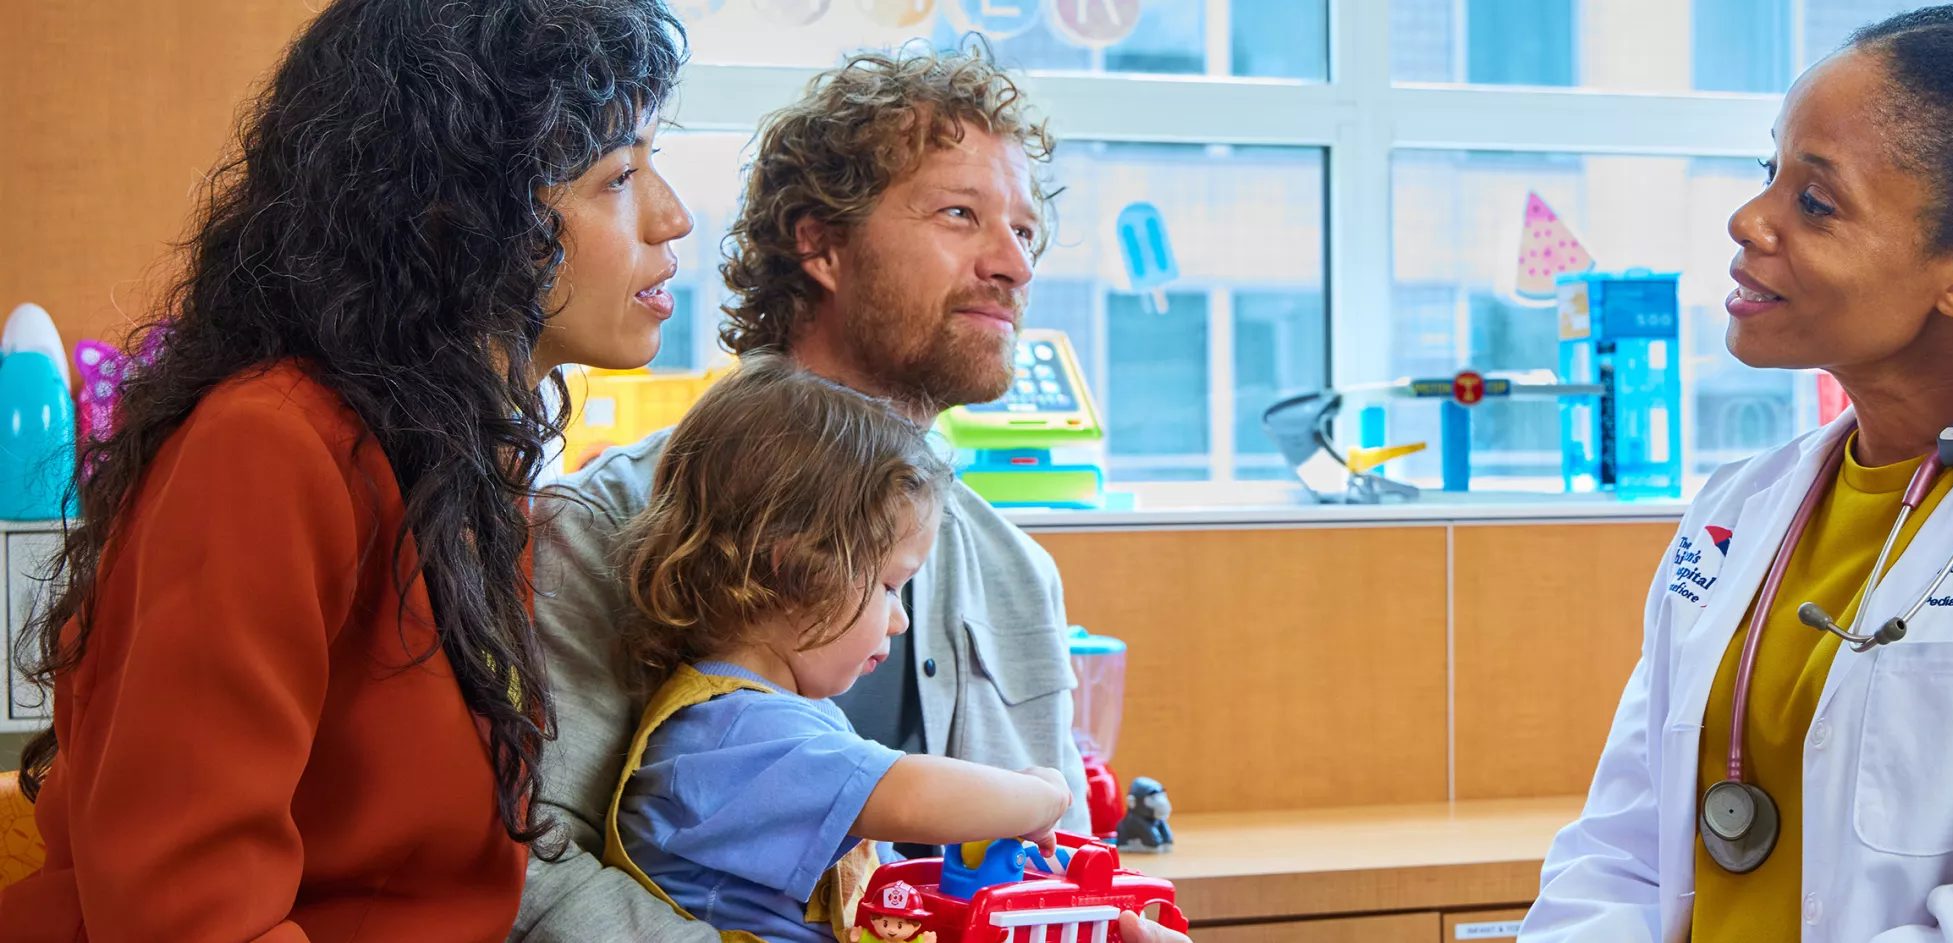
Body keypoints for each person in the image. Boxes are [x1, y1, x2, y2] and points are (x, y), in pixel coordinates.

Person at [0, 0, 693, 940]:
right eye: (619, 176)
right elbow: (191, 916)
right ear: (456, 209)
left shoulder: (461, 463)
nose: (673, 217)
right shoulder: (271, 447)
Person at [1522, 7, 1953, 941]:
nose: (1747, 220)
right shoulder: (1737, 511)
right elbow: (1620, 850)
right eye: (1771, 173)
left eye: (1816, 201)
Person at [514, 43, 1182, 943]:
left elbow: (1050, 862)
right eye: (960, 214)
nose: (1014, 266)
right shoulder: (600, 531)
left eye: (1024, 232)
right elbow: (535, 875)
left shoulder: (1016, 574)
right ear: (820, 242)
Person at [599, 357, 1075, 942]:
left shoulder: (772, 718)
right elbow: (909, 794)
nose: (899, 620)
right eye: (889, 585)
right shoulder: (731, 734)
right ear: (801, 568)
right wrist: (1039, 796)